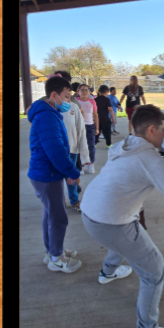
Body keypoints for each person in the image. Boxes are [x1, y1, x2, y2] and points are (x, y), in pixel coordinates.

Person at [80, 104, 164, 328]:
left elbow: (140, 169)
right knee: (154, 271)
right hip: (110, 222)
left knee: (126, 235)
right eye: (163, 130)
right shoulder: (149, 159)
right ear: (151, 130)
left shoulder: (126, 144)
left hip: (91, 213)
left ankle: (108, 272)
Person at [28, 76, 83, 273]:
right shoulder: (47, 117)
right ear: (54, 95)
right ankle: (56, 259)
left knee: (50, 215)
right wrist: (73, 172)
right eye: (66, 97)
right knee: (58, 218)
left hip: (47, 174)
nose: (69, 101)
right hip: (47, 175)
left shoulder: (49, 113)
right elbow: (56, 151)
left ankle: (52, 251)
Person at [52, 72, 89, 213]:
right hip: (55, 151)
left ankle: (74, 201)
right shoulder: (49, 107)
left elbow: (81, 131)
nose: (67, 99)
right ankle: (58, 201)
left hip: (72, 150)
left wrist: (84, 156)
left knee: (71, 177)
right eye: (65, 95)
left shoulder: (74, 107)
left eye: (69, 95)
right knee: (56, 179)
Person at [77, 84, 98, 173]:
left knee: (91, 146)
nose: (84, 92)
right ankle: (81, 165)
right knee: (79, 147)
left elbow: (95, 115)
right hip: (78, 127)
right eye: (82, 90)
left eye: (86, 90)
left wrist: (97, 128)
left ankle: (91, 163)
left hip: (90, 126)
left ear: (89, 92)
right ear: (78, 91)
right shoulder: (76, 101)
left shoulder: (92, 101)